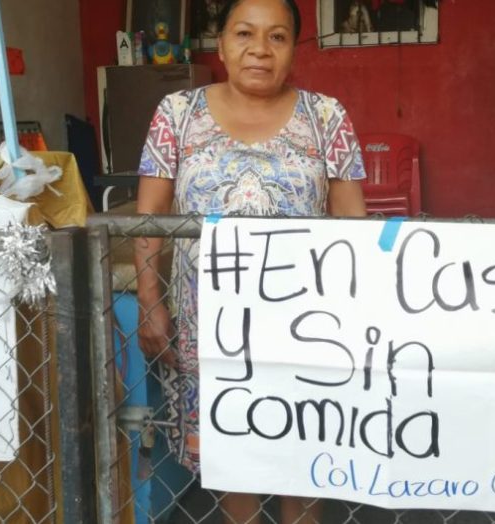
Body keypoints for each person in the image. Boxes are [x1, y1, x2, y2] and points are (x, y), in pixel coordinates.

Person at [135, 0, 367, 521]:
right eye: (244, 33)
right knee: (233, 451)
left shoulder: (328, 117)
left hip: (306, 325)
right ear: (220, 46)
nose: (260, 49)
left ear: (293, 51)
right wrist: (151, 301)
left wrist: (354, 319)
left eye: (278, 37)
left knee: (304, 449)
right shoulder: (176, 114)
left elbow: (354, 223)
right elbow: (148, 217)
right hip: (209, 329)